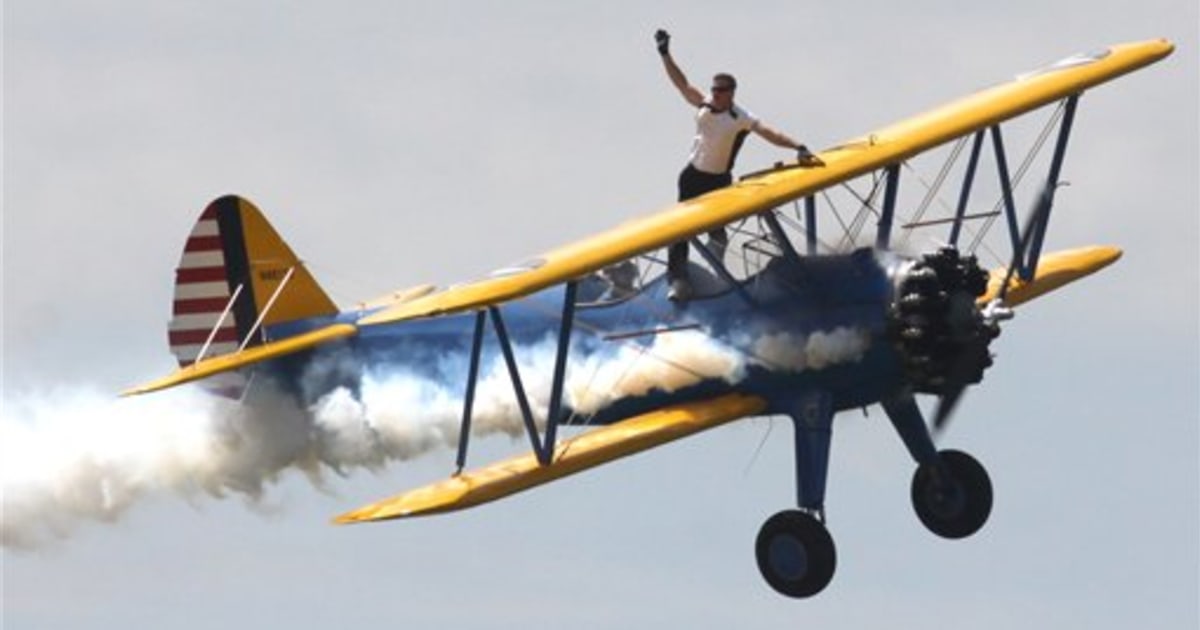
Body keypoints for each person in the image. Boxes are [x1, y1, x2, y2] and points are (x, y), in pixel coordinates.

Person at [655, 29, 822, 301]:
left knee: (719, 234)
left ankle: (715, 271)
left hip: (720, 180)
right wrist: (665, 54)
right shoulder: (704, 105)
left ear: (732, 93)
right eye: (714, 89)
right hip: (692, 177)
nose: (715, 93)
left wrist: (798, 147)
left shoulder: (740, 117)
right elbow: (681, 84)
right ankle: (679, 280)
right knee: (680, 232)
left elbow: (769, 132)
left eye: (721, 90)